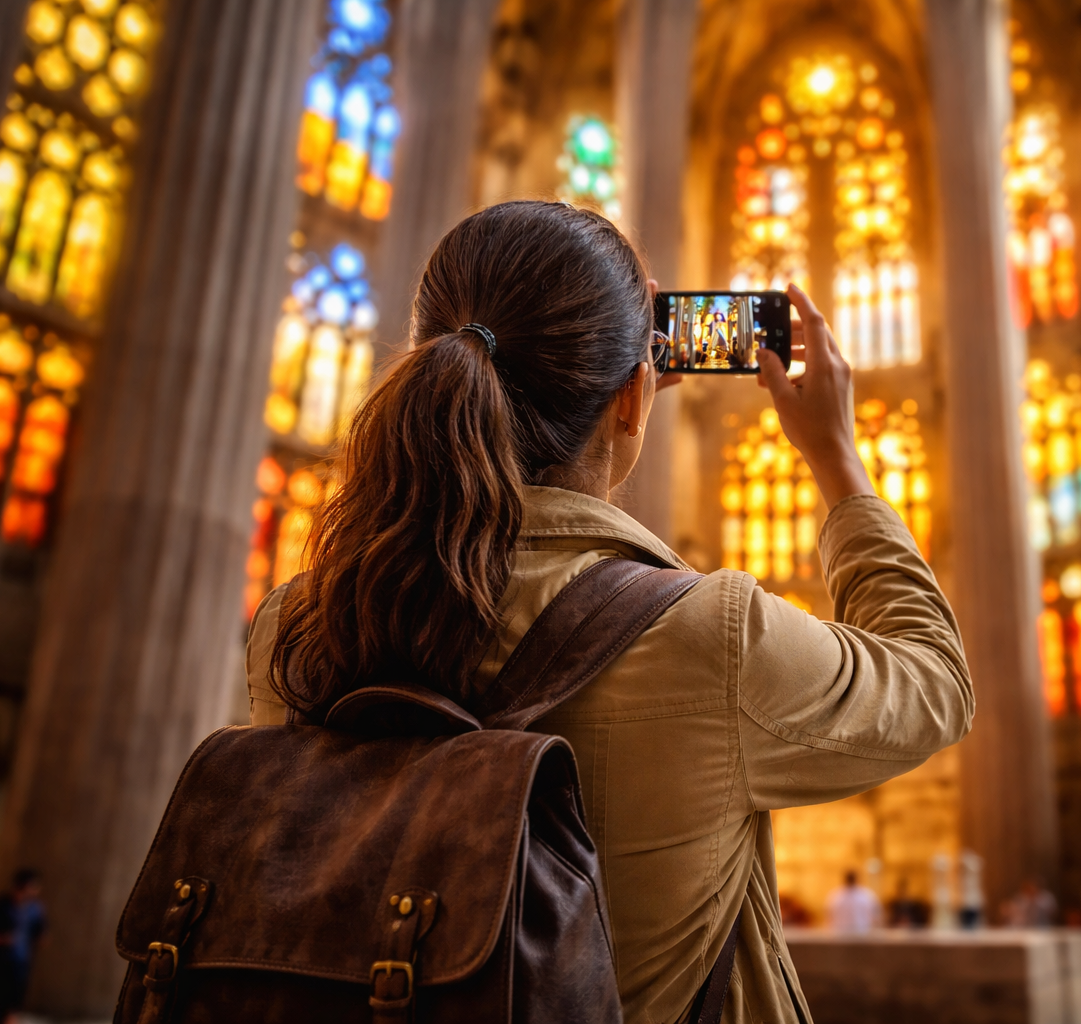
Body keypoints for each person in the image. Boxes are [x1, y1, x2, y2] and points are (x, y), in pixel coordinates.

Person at [245, 201, 973, 1024]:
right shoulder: (708, 639)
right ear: (634, 398)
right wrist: (838, 460)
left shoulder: (298, 623)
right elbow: (936, 681)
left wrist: (613, 388)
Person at [0, 869, 44, 1024]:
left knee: (14, 1001)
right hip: (1, 960)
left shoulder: (35, 908)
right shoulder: (3, 905)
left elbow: (41, 932)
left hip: (21, 961)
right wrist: (3, 939)